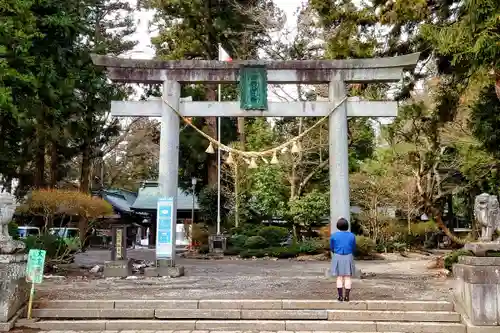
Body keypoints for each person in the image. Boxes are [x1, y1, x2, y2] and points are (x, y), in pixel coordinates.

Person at [330, 217, 356, 302]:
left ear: (338, 226)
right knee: (348, 277)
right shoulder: (352, 235)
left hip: (337, 256)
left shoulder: (334, 235)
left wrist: (335, 252)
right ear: (347, 226)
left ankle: (340, 297)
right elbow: (354, 247)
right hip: (348, 256)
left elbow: (332, 247)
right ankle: (347, 297)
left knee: (339, 277)